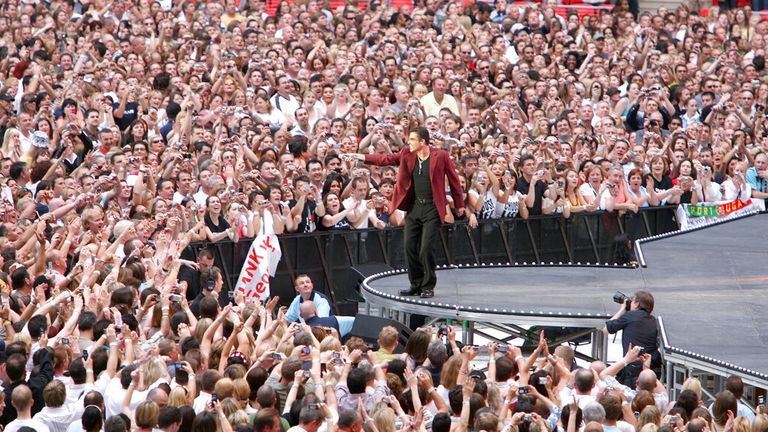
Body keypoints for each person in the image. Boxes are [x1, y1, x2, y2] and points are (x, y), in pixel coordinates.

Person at [348, 127, 470, 298]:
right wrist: (362, 157)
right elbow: (386, 158)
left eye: (413, 139)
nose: (409, 142)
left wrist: (459, 204)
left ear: (423, 142)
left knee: (426, 248)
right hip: (414, 207)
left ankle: (428, 286)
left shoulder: (440, 155)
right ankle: (415, 284)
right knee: (409, 247)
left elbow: (453, 179)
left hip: (432, 208)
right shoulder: (407, 153)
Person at [603, 291, 661, 387]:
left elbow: (606, 330)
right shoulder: (653, 320)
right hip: (652, 368)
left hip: (632, 370)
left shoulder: (629, 316)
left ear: (636, 304)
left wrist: (622, 309)